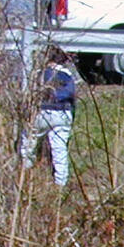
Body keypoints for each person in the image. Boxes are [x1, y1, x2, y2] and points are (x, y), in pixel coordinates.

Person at [20, 47, 77, 186]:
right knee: (59, 149)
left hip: (42, 111)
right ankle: (60, 182)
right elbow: (73, 97)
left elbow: (30, 95)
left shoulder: (39, 74)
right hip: (63, 112)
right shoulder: (68, 75)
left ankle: (26, 173)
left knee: (29, 140)